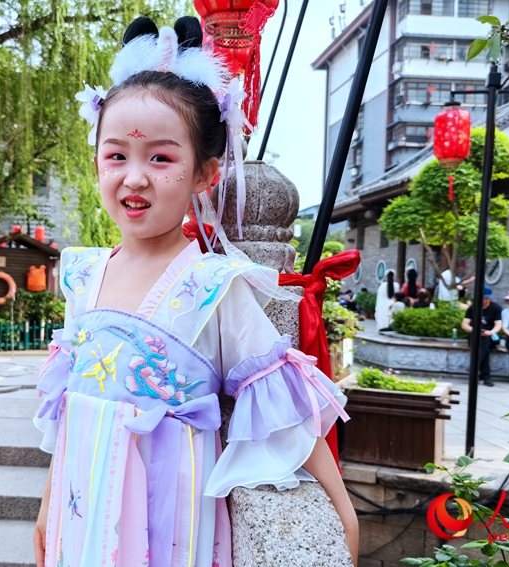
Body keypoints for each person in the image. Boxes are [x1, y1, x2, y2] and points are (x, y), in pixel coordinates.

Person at [32, 18, 357, 567]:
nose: (134, 177)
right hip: (81, 508)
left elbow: (282, 403)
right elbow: (69, 415)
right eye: (117, 156)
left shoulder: (213, 285)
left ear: (204, 174)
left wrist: (343, 509)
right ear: (96, 163)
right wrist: (47, 508)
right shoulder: (82, 276)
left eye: (161, 158)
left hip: (169, 515)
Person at [461, 285, 502, 387]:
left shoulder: (496, 308)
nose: (486, 300)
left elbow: (498, 325)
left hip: (491, 336)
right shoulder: (473, 308)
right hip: (475, 336)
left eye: (488, 298)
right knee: (484, 344)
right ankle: (485, 377)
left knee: (485, 340)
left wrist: (491, 332)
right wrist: (476, 331)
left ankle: (474, 368)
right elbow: (465, 325)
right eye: (484, 298)